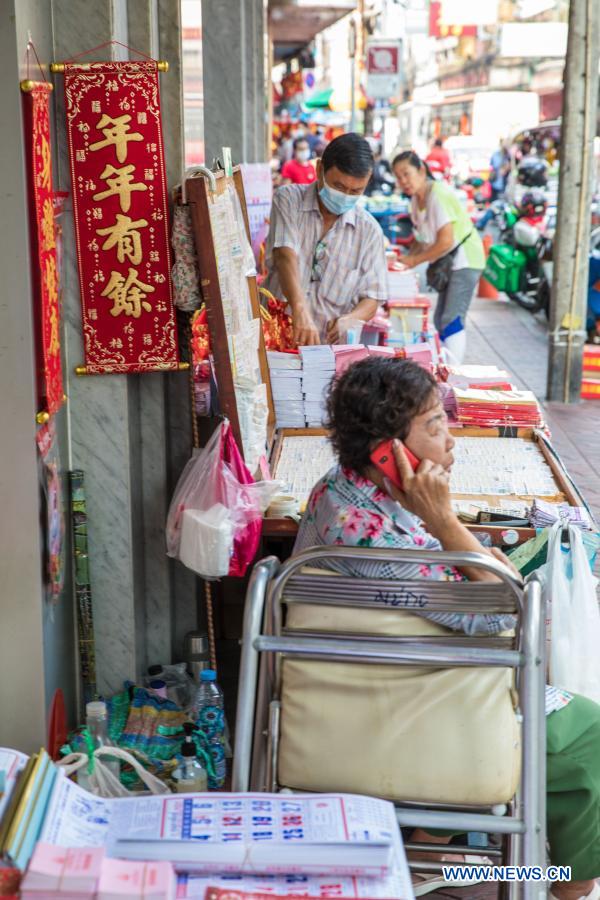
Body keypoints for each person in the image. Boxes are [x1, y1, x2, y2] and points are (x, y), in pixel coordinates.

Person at [294, 356, 600, 900]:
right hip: (420, 710)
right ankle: (567, 886)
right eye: (435, 426)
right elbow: (508, 613)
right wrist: (446, 522)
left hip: (355, 696)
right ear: (388, 450)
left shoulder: (335, 492)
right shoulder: (382, 538)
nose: (452, 440)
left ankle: (431, 845)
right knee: (589, 735)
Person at [264, 132, 388, 345]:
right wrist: (299, 309)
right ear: (320, 169)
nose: (346, 196)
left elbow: (373, 296)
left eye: (355, 191)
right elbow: (284, 255)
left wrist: (350, 319)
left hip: (326, 350)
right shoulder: (288, 199)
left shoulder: (369, 231)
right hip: (276, 339)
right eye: (338, 187)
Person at [393, 150, 485, 364]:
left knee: (451, 318)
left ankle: (453, 371)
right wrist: (404, 260)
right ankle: (445, 366)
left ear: (422, 170)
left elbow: (444, 241)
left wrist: (414, 261)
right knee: (440, 318)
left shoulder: (438, 194)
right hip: (450, 261)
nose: (403, 181)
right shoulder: (416, 201)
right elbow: (421, 239)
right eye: (398, 177)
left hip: (466, 260)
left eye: (406, 174)